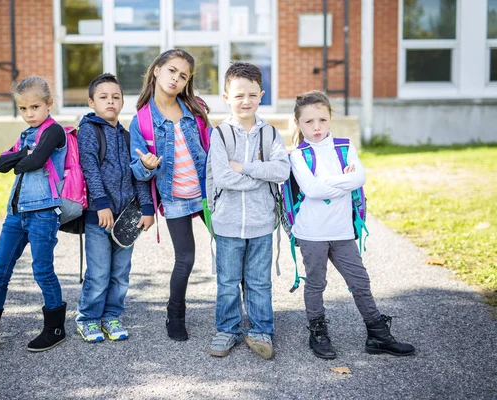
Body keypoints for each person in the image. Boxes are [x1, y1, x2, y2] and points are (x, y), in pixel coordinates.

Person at [290, 90, 415, 359]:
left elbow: (359, 178)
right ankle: (318, 333)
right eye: (309, 122)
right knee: (316, 283)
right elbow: (311, 190)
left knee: (360, 281)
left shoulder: (345, 147)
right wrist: (340, 181)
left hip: (342, 230)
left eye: (322, 120)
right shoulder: (298, 155)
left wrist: (329, 184)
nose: (317, 127)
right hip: (311, 232)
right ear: (298, 123)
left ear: (330, 119)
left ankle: (378, 335)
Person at [0, 76, 67, 356]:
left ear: (48, 104)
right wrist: (24, 152)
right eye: (23, 109)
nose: (29, 114)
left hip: (43, 213)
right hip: (15, 214)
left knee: (42, 271)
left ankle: (55, 329)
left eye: (34, 107)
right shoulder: (25, 136)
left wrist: (22, 158)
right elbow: (0, 164)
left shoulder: (54, 131)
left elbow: (34, 162)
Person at [208, 62, 290, 360]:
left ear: (261, 95)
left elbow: (281, 170)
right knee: (228, 283)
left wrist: (244, 168)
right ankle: (227, 329)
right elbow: (223, 177)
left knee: (259, 282)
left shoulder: (269, 135)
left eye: (252, 95)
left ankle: (261, 331)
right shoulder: (220, 135)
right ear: (226, 96)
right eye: (239, 95)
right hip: (228, 223)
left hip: (261, 223)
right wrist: (259, 175)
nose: (246, 101)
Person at [129, 49, 210, 341]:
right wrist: (147, 167)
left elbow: (211, 150)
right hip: (175, 198)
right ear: (156, 70)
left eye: (183, 75)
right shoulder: (141, 121)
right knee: (185, 260)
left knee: (230, 250)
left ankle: (237, 312)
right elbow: (137, 172)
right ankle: (175, 316)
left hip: (206, 195)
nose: (176, 78)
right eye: (171, 71)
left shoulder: (196, 109)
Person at [75, 73, 154, 342]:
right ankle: (88, 319)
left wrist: (147, 207)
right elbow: (90, 168)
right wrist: (102, 205)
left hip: (126, 217)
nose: (110, 101)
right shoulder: (89, 129)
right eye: (103, 97)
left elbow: (137, 173)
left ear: (122, 102)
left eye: (116, 97)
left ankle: (111, 316)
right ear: (91, 102)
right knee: (98, 272)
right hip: (100, 216)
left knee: (121, 272)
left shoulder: (128, 135)